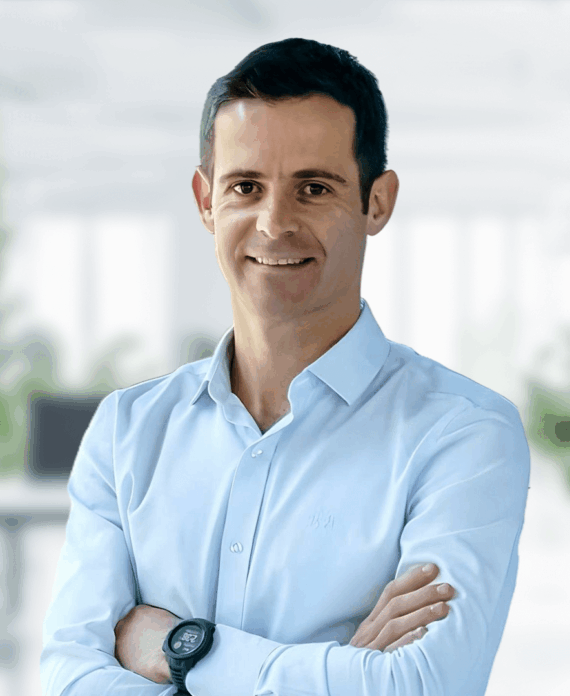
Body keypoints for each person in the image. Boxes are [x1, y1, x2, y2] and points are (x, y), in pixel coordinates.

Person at [40, 38, 530, 696]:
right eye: (246, 187)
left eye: (314, 188)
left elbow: (418, 685)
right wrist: (341, 670)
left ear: (377, 202)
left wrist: (183, 649)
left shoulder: (463, 435)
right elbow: (71, 677)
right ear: (205, 200)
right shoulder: (126, 430)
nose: (275, 223)